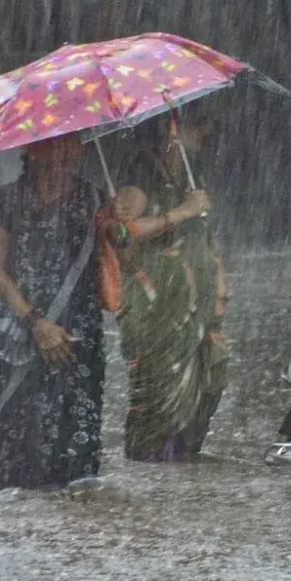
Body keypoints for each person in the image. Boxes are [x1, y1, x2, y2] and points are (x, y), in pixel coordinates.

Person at [0, 134, 106, 494]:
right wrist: (36, 322)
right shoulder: (9, 198)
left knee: (75, 459)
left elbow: (119, 268)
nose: (69, 152)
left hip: (77, 338)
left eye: (75, 143)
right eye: (59, 144)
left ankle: (68, 538)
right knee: (18, 442)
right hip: (19, 335)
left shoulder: (95, 199)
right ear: (32, 150)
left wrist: (122, 227)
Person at [104, 116, 230, 462]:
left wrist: (220, 289)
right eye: (196, 123)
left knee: (212, 377)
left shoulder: (193, 177)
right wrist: (181, 212)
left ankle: (185, 467)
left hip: (198, 307)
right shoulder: (141, 175)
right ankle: (153, 469)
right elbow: (122, 233)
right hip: (158, 308)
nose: (207, 130)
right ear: (170, 129)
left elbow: (207, 238)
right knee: (160, 397)